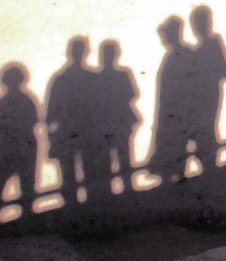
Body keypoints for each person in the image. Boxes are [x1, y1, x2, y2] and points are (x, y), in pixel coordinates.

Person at [45, 37, 99, 205]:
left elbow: (50, 115)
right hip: (81, 133)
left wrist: (52, 138)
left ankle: (75, 211)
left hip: (73, 133)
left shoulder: (60, 79)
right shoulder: (91, 78)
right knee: (83, 175)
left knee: (74, 176)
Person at [149, 17, 193, 183]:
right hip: (168, 113)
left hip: (179, 113)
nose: (163, 41)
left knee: (177, 147)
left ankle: (177, 178)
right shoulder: (170, 57)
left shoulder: (183, 55)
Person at [188, 6, 226, 171]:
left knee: (206, 126)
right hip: (209, 92)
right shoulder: (208, 45)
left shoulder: (210, 44)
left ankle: (209, 164)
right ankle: (209, 163)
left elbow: (224, 69)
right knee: (207, 127)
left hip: (208, 92)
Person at [95, 40, 139, 194]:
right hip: (112, 123)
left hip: (117, 122)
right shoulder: (120, 74)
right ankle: (120, 189)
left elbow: (133, 94)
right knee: (116, 157)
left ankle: (125, 188)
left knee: (121, 156)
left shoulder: (106, 76)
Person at [0, 64, 38, 214]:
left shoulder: (24, 101)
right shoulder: (5, 102)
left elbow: (32, 121)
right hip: (9, 149)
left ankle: (27, 219)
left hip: (21, 147)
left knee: (27, 187)